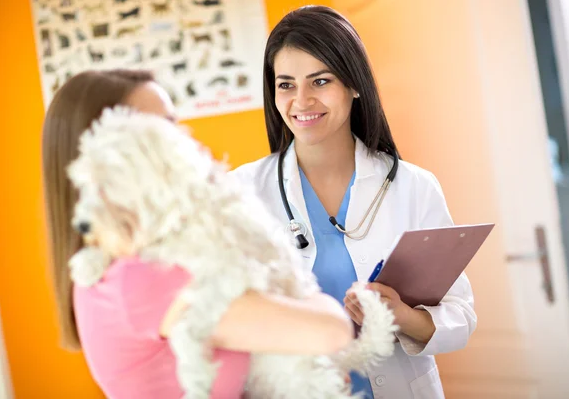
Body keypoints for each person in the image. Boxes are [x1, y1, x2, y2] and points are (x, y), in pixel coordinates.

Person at [41, 69, 354, 399]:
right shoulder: (139, 275)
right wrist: (311, 299)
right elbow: (331, 332)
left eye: (173, 124)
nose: (184, 144)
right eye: (158, 132)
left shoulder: (131, 259)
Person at [230, 6, 477, 399]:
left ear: (354, 85)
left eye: (320, 81)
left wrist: (403, 318)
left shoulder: (413, 187)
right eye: (286, 84)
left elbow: (461, 316)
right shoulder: (240, 193)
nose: (302, 101)